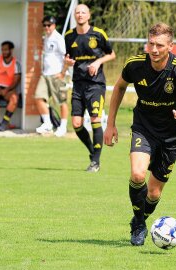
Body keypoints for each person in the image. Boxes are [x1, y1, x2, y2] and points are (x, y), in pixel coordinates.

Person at [104, 23, 176, 246]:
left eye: (159, 45)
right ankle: (141, 226)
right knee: (137, 175)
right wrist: (110, 124)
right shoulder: (135, 65)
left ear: (170, 46)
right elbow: (119, 87)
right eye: (150, 43)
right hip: (144, 127)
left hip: (172, 135)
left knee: (153, 193)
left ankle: (138, 219)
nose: (153, 49)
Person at [64, 4, 116, 172]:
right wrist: (67, 63)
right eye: (77, 12)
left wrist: (98, 61)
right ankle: (93, 152)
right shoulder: (69, 36)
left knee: (95, 119)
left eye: (83, 12)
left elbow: (112, 54)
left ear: (89, 15)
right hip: (78, 83)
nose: (80, 15)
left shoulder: (98, 34)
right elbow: (67, 58)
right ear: (74, 15)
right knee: (76, 123)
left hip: (95, 84)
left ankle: (95, 161)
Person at [35, 16, 69, 137]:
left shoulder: (58, 38)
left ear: (54, 25)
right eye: (44, 25)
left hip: (57, 74)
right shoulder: (45, 38)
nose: (46, 27)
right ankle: (48, 124)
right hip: (45, 74)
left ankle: (63, 126)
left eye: (49, 25)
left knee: (61, 101)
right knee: (39, 97)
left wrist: (62, 73)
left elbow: (67, 56)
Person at [0, 41, 21, 131]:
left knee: (14, 98)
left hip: (9, 89)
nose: (4, 52)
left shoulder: (16, 63)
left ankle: (4, 124)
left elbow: (16, 80)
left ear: (11, 50)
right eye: (2, 50)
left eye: (6, 50)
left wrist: (6, 89)